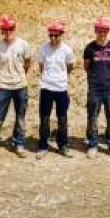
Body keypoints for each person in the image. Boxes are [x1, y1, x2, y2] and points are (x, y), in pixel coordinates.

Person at [0, 14, 33, 158]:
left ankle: (19, 144)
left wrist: (20, 75)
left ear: (14, 28)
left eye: (10, 29)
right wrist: (3, 77)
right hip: (4, 86)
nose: (8, 32)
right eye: (5, 29)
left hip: (20, 85)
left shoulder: (23, 44)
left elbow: (27, 62)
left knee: (20, 117)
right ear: (2, 30)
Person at [36, 20, 76, 159]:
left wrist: (61, 78)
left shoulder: (67, 50)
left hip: (61, 88)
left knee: (62, 118)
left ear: (61, 35)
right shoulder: (44, 49)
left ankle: (63, 145)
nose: (53, 38)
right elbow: (41, 66)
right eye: (51, 35)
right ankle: (43, 146)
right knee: (45, 118)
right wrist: (48, 78)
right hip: (46, 87)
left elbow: (70, 66)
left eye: (56, 35)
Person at [83, 16, 110, 158]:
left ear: (108, 31)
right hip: (95, 89)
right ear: (95, 31)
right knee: (93, 117)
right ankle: (93, 145)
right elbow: (86, 66)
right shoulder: (89, 48)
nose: (102, 33)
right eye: (100, 31)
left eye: (105, 31)